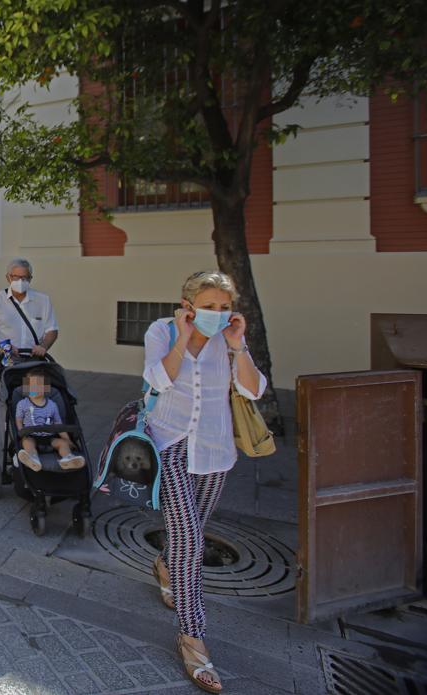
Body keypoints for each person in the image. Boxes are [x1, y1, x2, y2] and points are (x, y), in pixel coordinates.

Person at [141, 270, 266, 694]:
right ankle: (192, 637)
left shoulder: (229, 341)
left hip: (215, 452)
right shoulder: (160, 330)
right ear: (188, 303)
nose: (217, 314)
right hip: (171, 443)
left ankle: (163, 563)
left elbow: (253, 391)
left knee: (185, 534)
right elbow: (158, 379)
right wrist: (183, 337)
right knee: (191, 541)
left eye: (224, 307)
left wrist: (238, 346)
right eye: (209, 306)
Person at [0, 258, 57, 364]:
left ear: (30, 279)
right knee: (9, 380)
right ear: (8, 277)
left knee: (37, 381)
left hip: (35, 358)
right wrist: (3, 348)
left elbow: (52, 330)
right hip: (6, 357)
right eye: (16, 277)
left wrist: (43, 347)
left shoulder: (43, 300)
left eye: (24, 277)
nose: (20, 281)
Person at [14, 371, 84, 471]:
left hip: (50, 437)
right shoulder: (22, 404)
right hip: (31, 435)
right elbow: (19, 419)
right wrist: (21, 432)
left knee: (63, 444)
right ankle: (33, 459)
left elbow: (58, 424)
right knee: (27, 442)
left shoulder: (52, 405)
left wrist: (67, 439)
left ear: (46, 388)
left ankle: (68, 459)